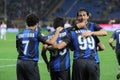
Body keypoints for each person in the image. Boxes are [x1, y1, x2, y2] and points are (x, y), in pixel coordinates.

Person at [16, 13, 63, 80]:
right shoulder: (36, 34)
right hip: (31, 63)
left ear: (27, 23)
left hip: (20, 63)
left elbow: (18, 49)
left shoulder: (19, 35)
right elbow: (52, 42)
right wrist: (57, 32)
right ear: (36, 24)